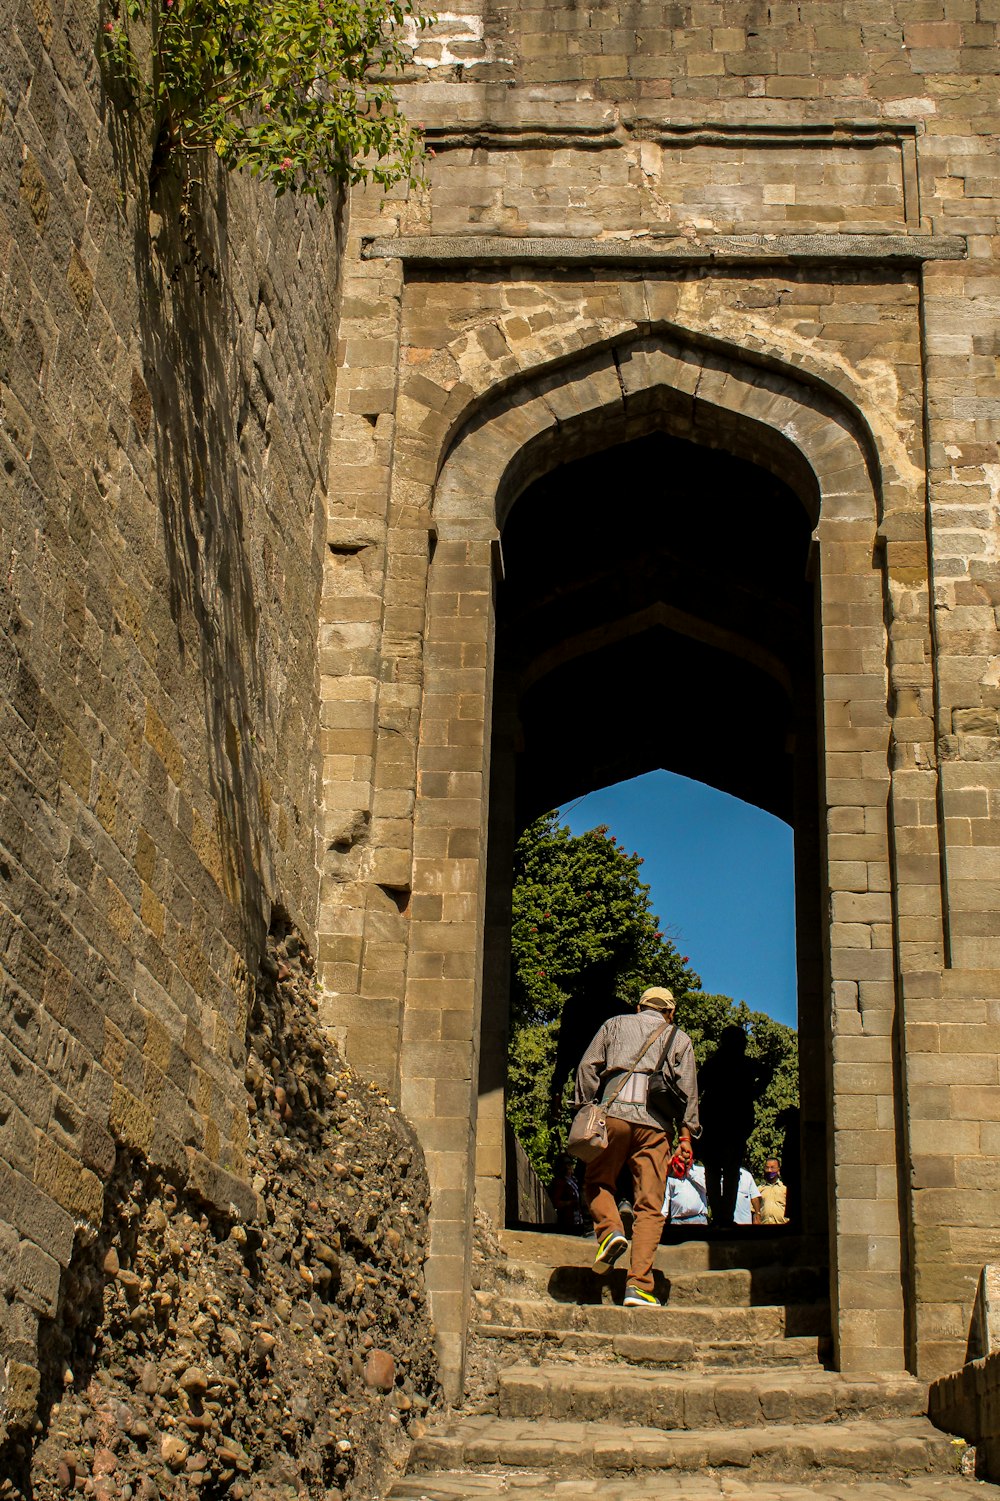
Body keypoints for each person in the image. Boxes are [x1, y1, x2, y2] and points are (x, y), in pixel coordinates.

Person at [574, 985, 700, 1307]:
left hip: (613, 1116)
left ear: (639, 1006)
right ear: (670, 1012)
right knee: (649, 1204)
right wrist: (686, 1137)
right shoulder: (680, 1039)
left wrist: (587, 1105)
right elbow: (689, 1095)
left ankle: (611, 1230)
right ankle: (640, 1286)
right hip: (656, 1127)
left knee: (598, 1180)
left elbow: (587, 1067)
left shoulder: (614, 1024)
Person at [698, 1025, 757, 1226]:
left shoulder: (715, 1064)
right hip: (725, 1124)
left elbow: (697, 1087)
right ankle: (723, 1216)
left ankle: (721, 1216)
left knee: (718, 1171)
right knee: (726, 1171)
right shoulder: (740, 1065)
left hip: (721, 1124)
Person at [663, 1150, 708, 1226]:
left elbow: (706, 1188)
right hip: (677, 1220)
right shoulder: (673, 1176)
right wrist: (663, 1217)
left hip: (698, 1219)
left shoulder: (700, 1170)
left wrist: (690, 1172)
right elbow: (667, 1198)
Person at [550, 1154, 585, 1233]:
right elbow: (556, 1202)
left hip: (578, 1217)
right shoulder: (560, 1182)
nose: (569, 1167)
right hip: (567, 1218)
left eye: (570, 1164)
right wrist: (570, 1203)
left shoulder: (573, 1180)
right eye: (567, 1165)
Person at [758, 1157, 789, 1225]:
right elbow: (754, 1210)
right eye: (767, 1168)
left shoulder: (785, 1188)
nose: (769, 1170)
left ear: (778, 1169)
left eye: (772, 1167)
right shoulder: (759, 1189)